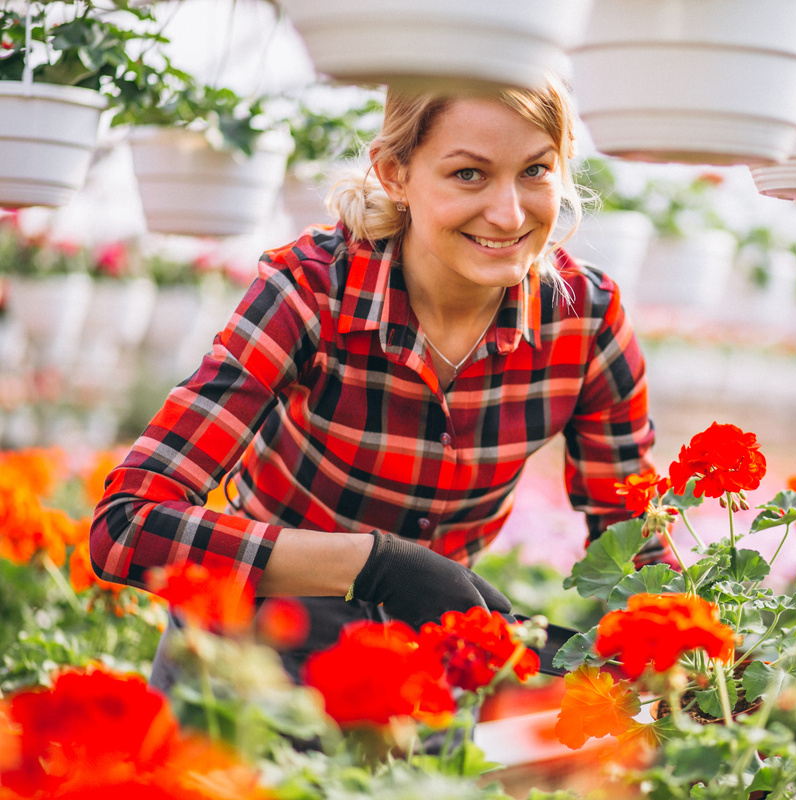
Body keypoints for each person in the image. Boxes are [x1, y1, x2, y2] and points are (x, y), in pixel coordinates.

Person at [89, 74, 663, 683]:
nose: (509, 213)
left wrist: (681, 650)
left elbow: (636, 537)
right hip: (251, 654)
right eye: (468, 173)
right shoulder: (313, 291)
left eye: (536, 170)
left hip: (429, 665)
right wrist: (376, 567)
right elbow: (126, 527)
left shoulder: (586, 320)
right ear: (394, 174)